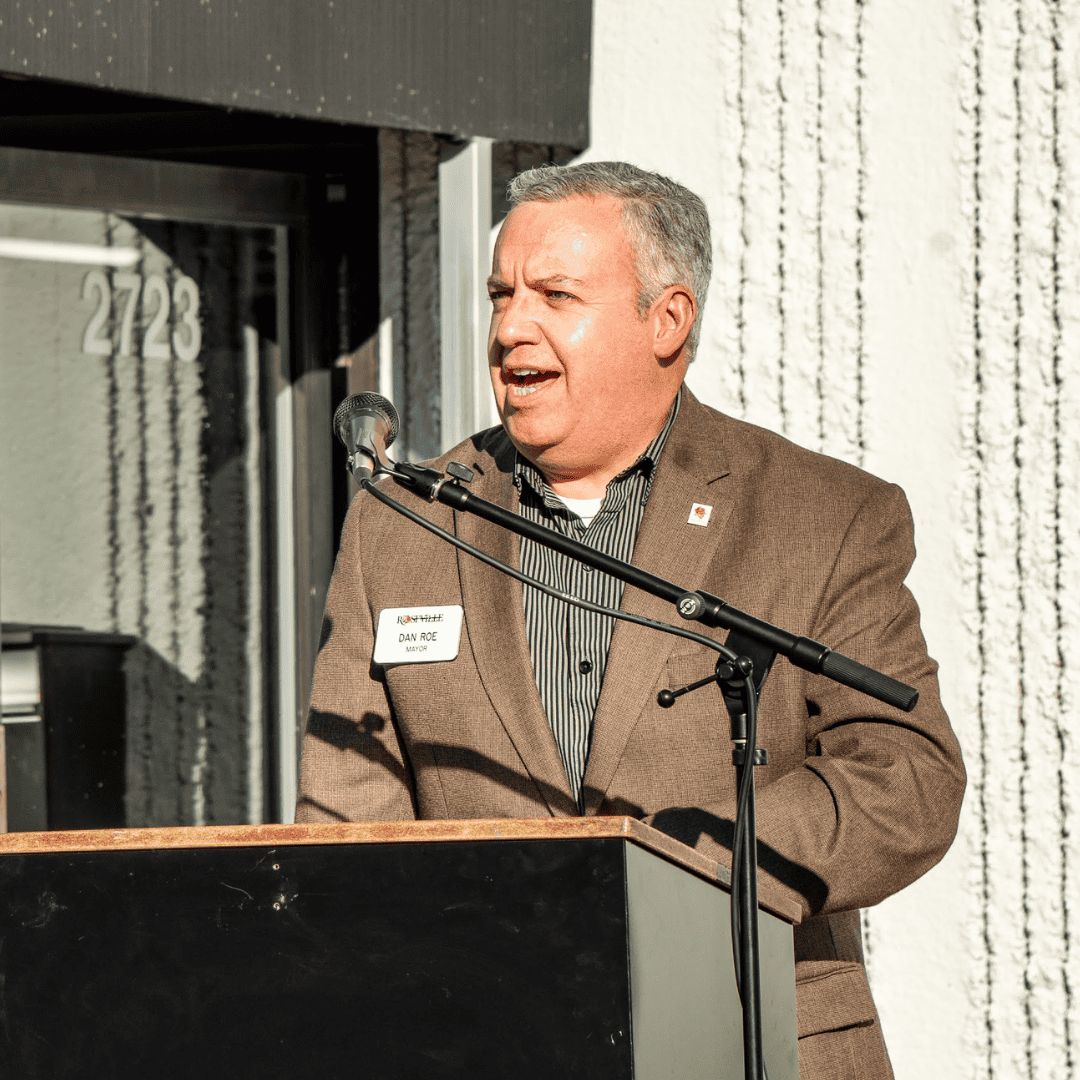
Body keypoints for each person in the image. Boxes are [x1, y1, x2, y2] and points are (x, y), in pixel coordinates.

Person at [296, 161, 966, 1078]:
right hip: (485, 1043)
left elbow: (909, 777)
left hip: (753, 1034)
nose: (510, 328)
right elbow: (348, 815)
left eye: (555, 294)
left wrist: (684, 870)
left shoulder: (823, 515)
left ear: (668, 320)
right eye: (501, 294)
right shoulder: (407, 521)